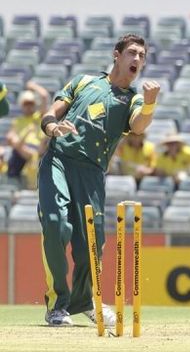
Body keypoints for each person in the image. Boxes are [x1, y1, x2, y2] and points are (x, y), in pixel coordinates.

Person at [38, 34, 160, 327]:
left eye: (142, 56)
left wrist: (150, 104)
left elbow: (138, 126)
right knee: (56, 224)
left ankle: (85, 302)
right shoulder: (84, 82)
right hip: (59, 159)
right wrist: (53, 127)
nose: (138, 60)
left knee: (89, 246)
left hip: (92, 172)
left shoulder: (133, 99)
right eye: (132, 53)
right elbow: (50, 113)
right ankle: (58, 304)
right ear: (116, 55)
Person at [6, 82, 50, 189]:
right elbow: (10, 139)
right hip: (22, 151)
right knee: (14, 144)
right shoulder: (17, 121)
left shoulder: (38, 117)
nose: (29, 106)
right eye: (26, 104)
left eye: (31, 103)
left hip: (39, 150)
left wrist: (33, 86)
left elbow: (44, 96)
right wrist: (25, 137)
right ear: (22, 105)